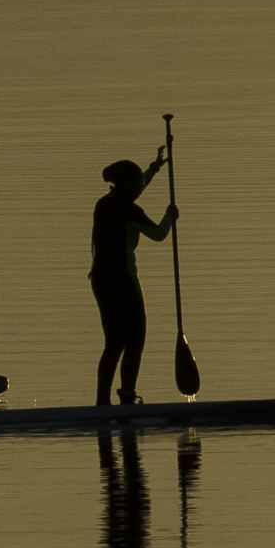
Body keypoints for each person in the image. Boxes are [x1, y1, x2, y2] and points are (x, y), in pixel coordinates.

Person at [90, 152, 177, 407]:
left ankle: (102, 404)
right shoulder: (130, 210)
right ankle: (127, 396)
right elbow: (159, 234)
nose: (141, 187)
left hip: (100, 280)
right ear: (127, 185)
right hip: (123, 281)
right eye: (138, 183)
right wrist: (170, 215)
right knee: (136, 339)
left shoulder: (104, 203)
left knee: (114, 343)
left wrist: (154, 168)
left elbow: (135, 190)